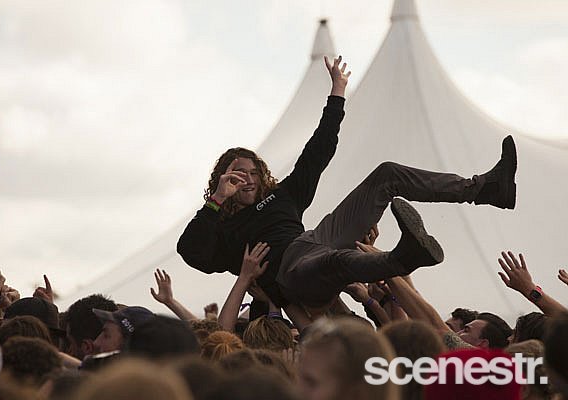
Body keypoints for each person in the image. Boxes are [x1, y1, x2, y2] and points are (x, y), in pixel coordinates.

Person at [178, 54, 518, 313]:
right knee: (336, 261)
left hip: (314, 241)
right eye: (238, 174)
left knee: (387, 174)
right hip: (291, 275)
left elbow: (318, 151)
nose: (247, 179)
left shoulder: (283, 196)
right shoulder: (222, 229)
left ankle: (485, 189)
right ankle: (402, 258)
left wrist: (337, 93)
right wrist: (217, 200)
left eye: (253, 172)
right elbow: (191, 253)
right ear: (224, 179)